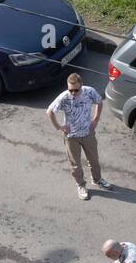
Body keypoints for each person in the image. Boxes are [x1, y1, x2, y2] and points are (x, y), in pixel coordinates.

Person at [47, 72, 111, 201]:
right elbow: (50, 111)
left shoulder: (89, 92)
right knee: (75, 164)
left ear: (81, 85)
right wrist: (59, 127)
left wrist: (95, 120)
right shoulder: (64, 97)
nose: (73, 93)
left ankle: (97, 180)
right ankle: (81, 186)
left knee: (94, 159)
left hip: (88, 133)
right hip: (71, 137)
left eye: (76, 90)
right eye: (71, 90)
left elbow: (99, 102)